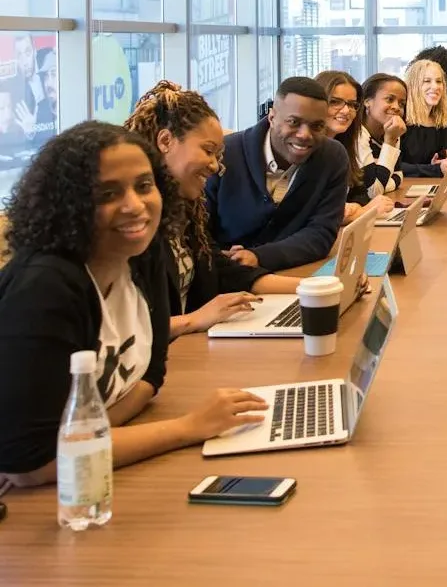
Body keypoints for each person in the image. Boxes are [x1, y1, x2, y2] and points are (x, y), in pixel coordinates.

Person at [0, 122, 267, 486]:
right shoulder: (45, 288)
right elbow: (30, 464)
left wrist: (85, 437)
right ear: (69, 204)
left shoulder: (142, 252)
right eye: (108, 193)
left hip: (79, 476)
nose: (135, 206)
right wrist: (189, 427)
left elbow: (150, 377)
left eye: (144, 186)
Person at [124, 81, 300, 337]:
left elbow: (222, 269)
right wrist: (193, 320)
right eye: (208, 151)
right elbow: (121, 330)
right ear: (165, 141)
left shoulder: (183, 213)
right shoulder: (131, 227)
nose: (215, 166)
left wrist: (313, 287)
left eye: (216, 155)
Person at [204, 76, 348, 272]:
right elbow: (199, 232)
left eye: (317, 126)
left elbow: (321, 234)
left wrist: (259, 257)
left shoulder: (333, 157)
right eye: (294, 122)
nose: (305, 134)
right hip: (226, 280)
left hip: (294, 275)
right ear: (272, 118)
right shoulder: (224, 154)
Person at [313, 70, 392, 224]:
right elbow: (314, 212)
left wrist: (353, 208)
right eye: (335, 102)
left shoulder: (342, 147)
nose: (345, 110)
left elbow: (361, 194)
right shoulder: (304, 150)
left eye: (352, 104)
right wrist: (364, 211)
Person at [399, 58, 447, 179]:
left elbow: (426, 164)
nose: (435, 87)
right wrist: (433, 169)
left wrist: (437, 163)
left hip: (424, 186)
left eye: (439, 81)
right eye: (427, 81)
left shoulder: (438, 121)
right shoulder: (401, 119)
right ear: (414, 85)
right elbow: (395, 166)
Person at [357, 72, 407, 198]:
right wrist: (390, 141)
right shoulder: (358, 134)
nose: (396, 107)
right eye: (390, 99)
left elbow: (399, 175)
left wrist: (382, 184)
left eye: (402, 104)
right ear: (367, 102)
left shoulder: (392, 130)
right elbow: (373, 191)